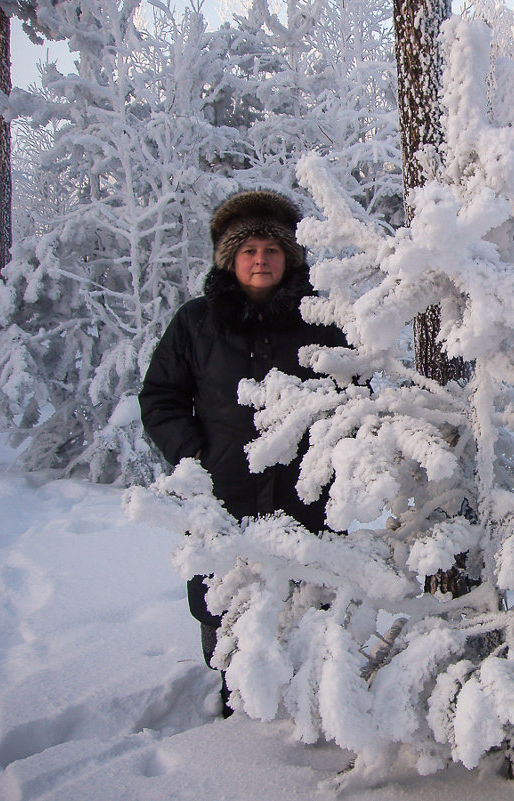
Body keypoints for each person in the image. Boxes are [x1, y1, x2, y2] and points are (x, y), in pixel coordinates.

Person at [140, 190, 345, 716]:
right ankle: (236, 715)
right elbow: (161, 397)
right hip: (221, 497)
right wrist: (195, 458)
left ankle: (309, 712)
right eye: (249, 249)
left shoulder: (321, 317)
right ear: (229, 258)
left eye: (272, 249)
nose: (261, 259)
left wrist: (333, 457)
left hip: (306, 498)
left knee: (309, 606)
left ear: (290, 257)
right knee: (224, 609)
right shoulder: (195, 323)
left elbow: (354, 393)